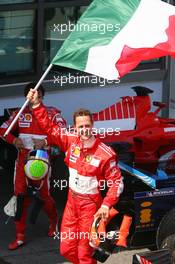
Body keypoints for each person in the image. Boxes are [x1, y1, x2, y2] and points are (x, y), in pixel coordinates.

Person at [27, 88, 124, 264]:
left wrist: (106, 205)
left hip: (90, 206)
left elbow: (117, 182)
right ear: (75, 127)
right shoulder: (70, 140)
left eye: (87, 125)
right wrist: (36, 105)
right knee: (66, 250)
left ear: (92, 125)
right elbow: (50, 127)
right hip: (72, 203)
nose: (84, 129)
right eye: (81, 126)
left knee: (84, 255)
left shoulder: (105, 153)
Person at [0, 83, 67, 250]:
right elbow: (3, 129)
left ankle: (53, 222)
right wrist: (13, 140)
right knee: (20, 196)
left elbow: (63, 134)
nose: (33, 98)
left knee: (44, 197)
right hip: (22, 160)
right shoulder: (19, 113)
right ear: (26, 97)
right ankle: (20, 236)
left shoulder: (52, 113)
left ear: (42, 97)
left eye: (37, 95)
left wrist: (45, 142)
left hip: (42, 160)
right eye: (30, 96)